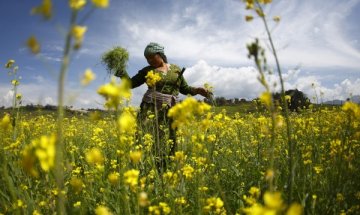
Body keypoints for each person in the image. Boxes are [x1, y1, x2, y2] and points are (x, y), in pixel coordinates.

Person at [115, 42, 210, 171]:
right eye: (147, 58)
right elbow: (131, 84)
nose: (149, 60)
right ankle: (143, 168)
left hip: (171, 110)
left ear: (160, 55)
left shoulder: (176, 69)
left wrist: (198, 90)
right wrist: (121, 71)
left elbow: (185, 89)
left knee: (171, 138)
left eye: (151, 57)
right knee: (147, 137)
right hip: (151, 109)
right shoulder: (147, 71)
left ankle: (167, 169)